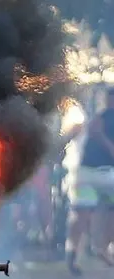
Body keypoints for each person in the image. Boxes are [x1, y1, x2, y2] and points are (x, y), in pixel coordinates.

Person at [64, 88, 114, 275]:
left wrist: (100, 137)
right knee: (81, 213)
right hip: (87, 173)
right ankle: (73, 252)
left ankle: (103, 247)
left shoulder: (97, 120)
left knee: (106, 211)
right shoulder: (94, 118)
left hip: (106, 174)